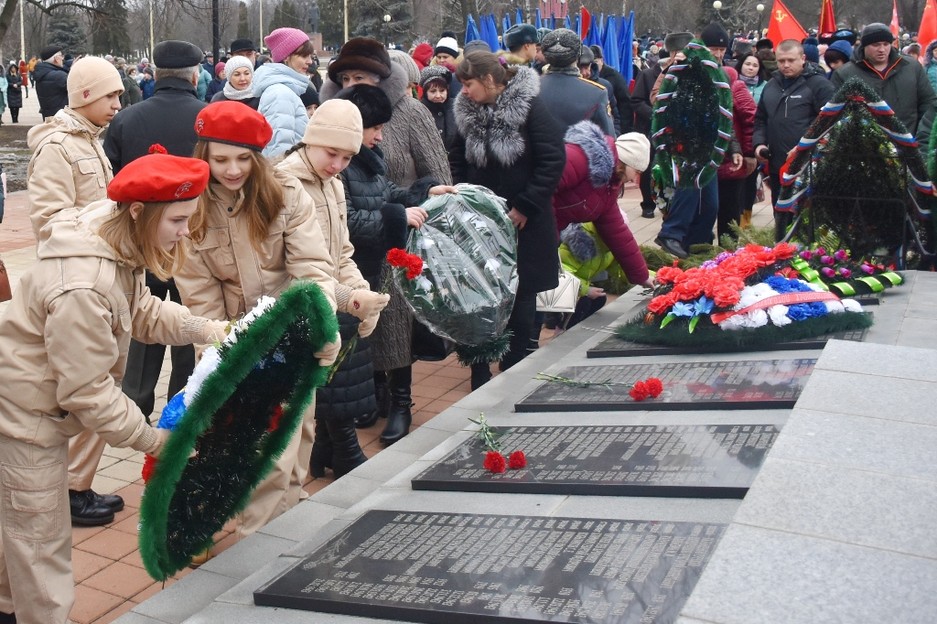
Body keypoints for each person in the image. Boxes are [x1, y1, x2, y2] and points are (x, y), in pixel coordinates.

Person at [0, 151, 227, 624]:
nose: (186, 232)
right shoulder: (81, 284)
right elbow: (87, 391)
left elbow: (138, 308)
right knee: (41, 547)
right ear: (141, 212)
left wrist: (206, 329)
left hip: (32, 403)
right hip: (23, 417)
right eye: (180, 220)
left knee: (18, 538)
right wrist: (152, 441)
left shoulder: (113, 232)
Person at [176, 102, 348, 540]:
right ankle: (255, 552)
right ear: (204, 156)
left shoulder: (287, 194)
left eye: (242, 159)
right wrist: (219, 357)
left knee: (298, 439)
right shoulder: (190, 209)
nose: (232, 170)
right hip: (236, 340)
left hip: (292, 330)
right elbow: (199, 297)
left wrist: (319, 322)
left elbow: (313, 269)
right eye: (220, 160)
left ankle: (290, 529)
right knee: (264, 454)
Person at [330, 84, 453, 444]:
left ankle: (401, 403)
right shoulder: (339, 163)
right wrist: (398, 216)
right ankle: (374, 402)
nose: (381, 136)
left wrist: (424, 191)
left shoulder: (369, 156)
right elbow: (347, 219)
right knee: (366, 339)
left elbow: (386, 193)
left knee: (398, 334)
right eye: (376, 129)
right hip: (356, 265)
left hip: (382, 261)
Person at [276, 97, 395, 471]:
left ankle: (315, 467)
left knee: (310, 415)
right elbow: (286, 265)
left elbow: (342, 250)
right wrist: (346, 296)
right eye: (331, 153)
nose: (337, 165)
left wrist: (362, 290)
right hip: (295, 307)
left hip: (327, 300)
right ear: (310, 140)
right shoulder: (284, 183)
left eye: (346, 158)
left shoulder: (334, 184)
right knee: (288, 425)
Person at [103, 39, 207, 461]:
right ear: (195, 74)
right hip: (193, 240)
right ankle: (180, 412)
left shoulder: (127, 118)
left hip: (141, 240)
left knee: (140, 323)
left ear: (158, 74)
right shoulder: (206, 118)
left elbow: (110, 184)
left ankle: (134, 408)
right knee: (186, 326)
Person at [450, 50, 565, 389]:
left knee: (521, 297)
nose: (465, 92)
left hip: (524, 224)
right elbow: (456, 158)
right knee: (480, 297)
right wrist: (464, 197)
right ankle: (480, 374)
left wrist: (525, 206)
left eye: (469, 83)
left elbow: (552, 160)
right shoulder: (468, 112)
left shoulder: (529, 106)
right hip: (480, 226)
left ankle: (515, 370)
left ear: (488, 80)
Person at [321, 37, 452, 188]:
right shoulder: (332, 115)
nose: (350, 85)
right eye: (345, 78)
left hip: (410, 208)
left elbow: (438, 175)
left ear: (379, 80)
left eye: (358, 78)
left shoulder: (412, 111)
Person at [553, 123, 653, 291]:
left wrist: (642, 276)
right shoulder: (581, 158)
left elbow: (617, 232)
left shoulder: (609, 186)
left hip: (543, 233)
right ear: (627, 162)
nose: (636, 177)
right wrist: (546, 235)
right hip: (525, 221)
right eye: (637, 171)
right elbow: (542, 185)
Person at [754, 39, 835, 241]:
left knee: (806, 223)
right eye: (781, 60)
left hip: (808, 167)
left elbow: (830, 123)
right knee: (780, 218)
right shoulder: (772, 85)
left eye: (791, 60)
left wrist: (804, 147)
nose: (786, 65)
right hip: (777, 164)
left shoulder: (819, 85)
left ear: (803, 59)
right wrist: (759, 143)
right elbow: (761, 118)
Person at [832, 23, 936, 138]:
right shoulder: (845, 73)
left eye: (886, 44)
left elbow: (928, 104)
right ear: (864, 45)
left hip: (909, 143)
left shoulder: (912, 67)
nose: (882, 49)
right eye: (876, 45)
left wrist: (922, 138)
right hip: (866, 148)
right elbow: (838, 114)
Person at [631, 34, 693, 219]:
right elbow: (637, 101)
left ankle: (672, 205)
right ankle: (648, 203)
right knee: (650, 167)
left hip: (679, 132)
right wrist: (656, 116)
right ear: (672, 53)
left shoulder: (691, 75)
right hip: (653, 129)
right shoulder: (649, 74)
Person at [253, 27, 315, 158]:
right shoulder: (280, 94)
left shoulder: (284, 90)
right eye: (304, 56)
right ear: (286, 56)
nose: (310, 61)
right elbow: (278, 151)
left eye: (310, 56)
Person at [539, 28, 614, 135]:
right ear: (578, 55)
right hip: (581, 151)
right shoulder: (597, 93)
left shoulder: (528, 89)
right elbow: (608, 140)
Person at [715, 66, 757, 241]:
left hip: (731, 161)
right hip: (706, 162)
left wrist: (748, 152)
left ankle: (728, 254)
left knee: (729, 212)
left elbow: (750, 119)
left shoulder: (734, 83)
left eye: (719, 49)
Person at [589, 44, 634, 134]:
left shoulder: (614, 76)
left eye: (596, 62)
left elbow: (625, 103)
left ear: (602, 60)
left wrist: (623, 130)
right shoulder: (588, 76)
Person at [578, 47, 621, 135]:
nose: (583, 73)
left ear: (591, 65)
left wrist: (614, 136)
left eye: (586, 68)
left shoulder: (604, 86)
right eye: (580, 69)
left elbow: (614, 116)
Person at [418, 64, 457, 156]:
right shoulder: (419, 109)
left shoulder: (456, 107)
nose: (438, 95)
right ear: (425, 92)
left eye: (442, 90)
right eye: (433, 91)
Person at [34, 45, 69, 120]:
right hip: (62, 118)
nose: (63, 58)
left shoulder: (42, 73)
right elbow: (77, 87)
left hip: (49, 117)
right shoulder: (59, 76)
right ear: (56, 59)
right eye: (61, 56)